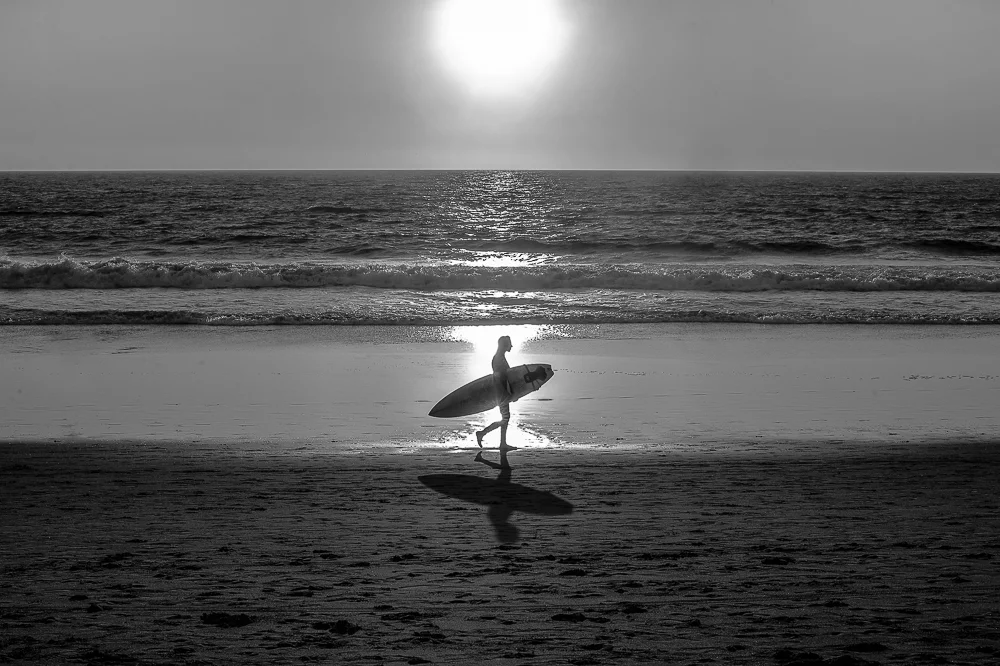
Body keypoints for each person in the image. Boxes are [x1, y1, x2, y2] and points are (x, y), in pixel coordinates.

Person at [476, 335, 516, 450]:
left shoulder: (499, 357)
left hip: (500, 391)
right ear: (504, 345)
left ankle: (502, 443)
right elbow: (502, 378)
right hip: (501, 392)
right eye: (509, 344)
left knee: (505, 417)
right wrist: (509, 393)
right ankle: (483, 433)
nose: (511, 346)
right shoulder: (499, 358)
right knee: (505, 418)